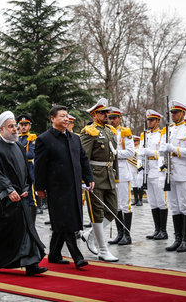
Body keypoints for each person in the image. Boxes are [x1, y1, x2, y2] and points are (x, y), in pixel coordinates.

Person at [0, 111, 47, 276]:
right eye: (11, 127)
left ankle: (31, 264)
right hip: (4, 200)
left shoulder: (18, 145)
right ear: (1, 129)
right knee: (4, 232)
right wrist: (9, 190)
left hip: (21, 196)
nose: (15, 129)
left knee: (26, 228)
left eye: (15, 126)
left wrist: (25, 189)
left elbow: (24, 169)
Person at [35, 105, 94, 269]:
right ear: (53, 119)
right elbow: (40, 165)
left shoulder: (74, 138)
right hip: (56, 188)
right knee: (66, 222)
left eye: (67, 116)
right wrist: (39, 186)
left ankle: (54, 254)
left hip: (74, 187)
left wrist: (88, 178)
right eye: (62, 116)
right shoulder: (44, 139)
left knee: (63, 222)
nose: (66, 119)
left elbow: (83, 159)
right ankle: (77, 257)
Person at [79, 98, 119, 262]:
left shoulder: (110, 131)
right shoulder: (89, 131)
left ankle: (90, 234)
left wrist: (116, 176)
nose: (106, 115)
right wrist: (84, 178)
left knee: (113, 210)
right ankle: (103, 249)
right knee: (97, 214)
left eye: (106, 112)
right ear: (94, 114)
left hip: (108, 175)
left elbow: (114, 154)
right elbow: (83, 156)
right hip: (94, 177)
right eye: (102, 112)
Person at [159, 100, 186, 253]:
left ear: (183, 114)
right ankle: (177, 239)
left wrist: (174, 149)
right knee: (175, 208)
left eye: (176, 112)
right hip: (171, 174)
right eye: (172, 112)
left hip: (184, 174)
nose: (173, 115)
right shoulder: (169, 130)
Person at [107, 106, 136, 246]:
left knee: (125, 204)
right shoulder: (106, 131)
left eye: (114, 118)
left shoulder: (125, 132)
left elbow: (131, 152)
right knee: (116, 205)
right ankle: (119, 234)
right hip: (111, 171)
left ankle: (127, 234)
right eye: (110, 118)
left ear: (119, 118)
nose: (112, 120)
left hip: (123, 171)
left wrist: (115, 153)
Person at [17, 114, 41, 221]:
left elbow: (31, 154)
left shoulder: (32, 137)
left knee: (31, 196)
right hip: (18, 168)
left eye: (26, 125)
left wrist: (16, 155)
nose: (23, 127)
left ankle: (32, 224)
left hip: (28, 168)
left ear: (29, 126)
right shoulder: (16, 138)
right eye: (21, 125)